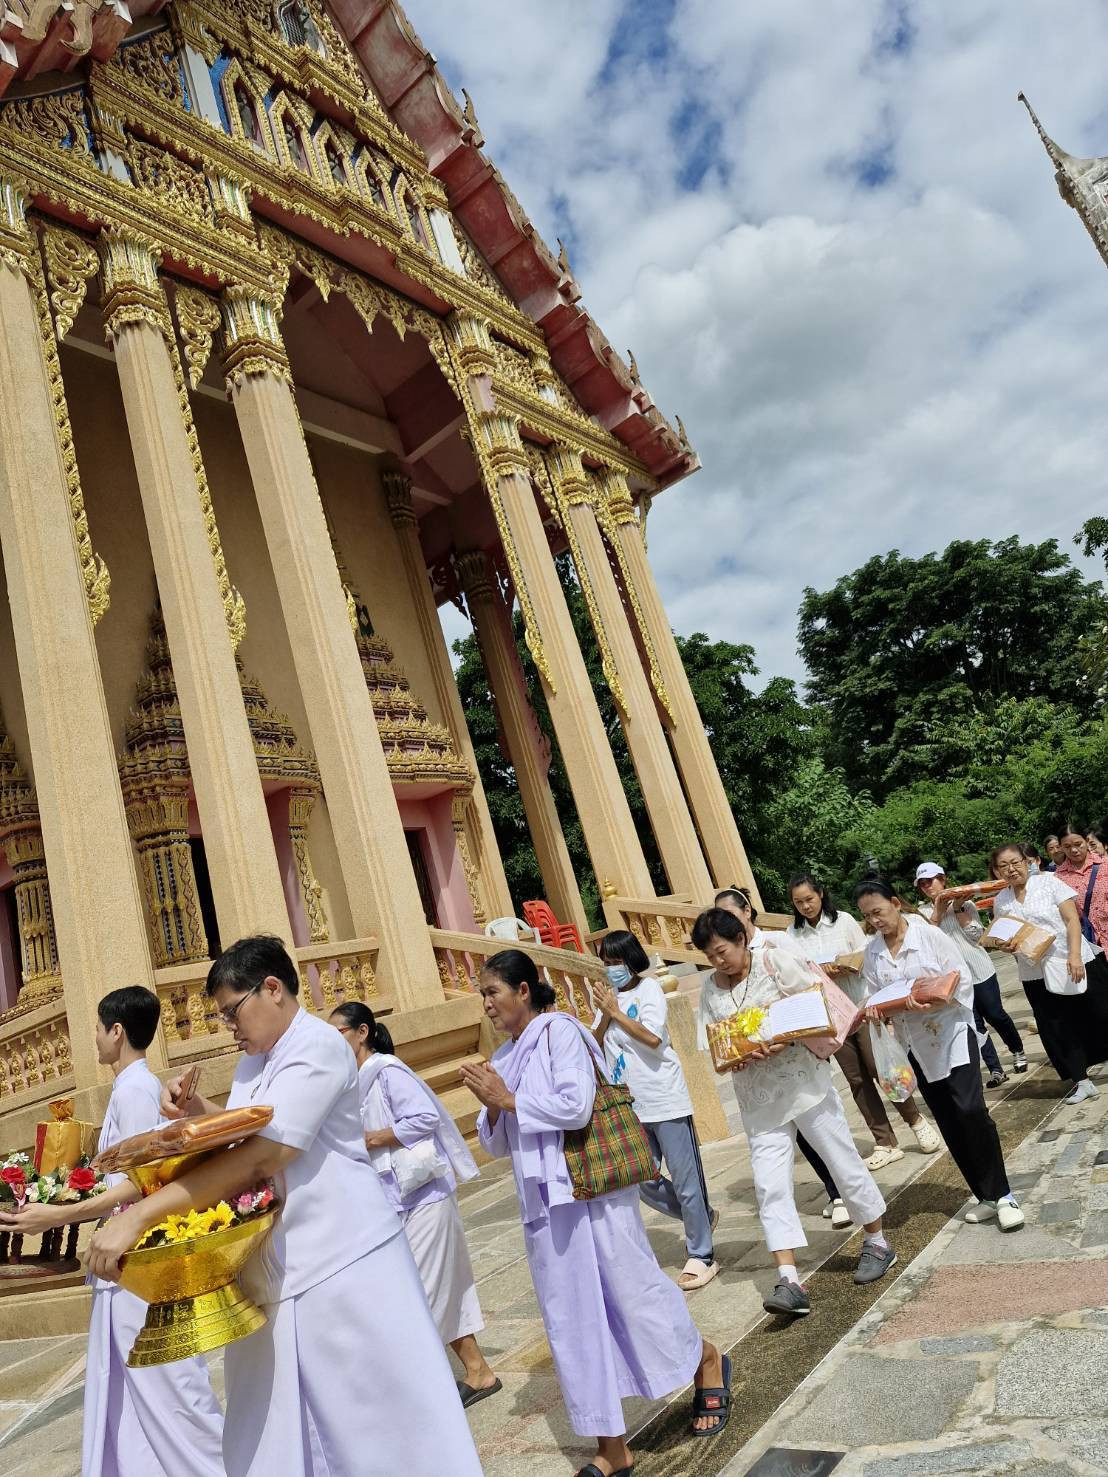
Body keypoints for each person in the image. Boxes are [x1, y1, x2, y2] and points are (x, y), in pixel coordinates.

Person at [86, 937, 483, 1477]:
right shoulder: (256, 1063)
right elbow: (249, 1125)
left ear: (272, 988)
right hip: (276, 1277)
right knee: (268, 1446)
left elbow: (266, 1154)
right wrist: (197, 1112)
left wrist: (138, 1216)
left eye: (233, 1011)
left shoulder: (319, 1046)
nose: (230, 1026)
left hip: (342, 1267)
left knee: (387, 1439)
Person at [461, 949, 730, 1477]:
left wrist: (509, 1099)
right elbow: (496, 1146)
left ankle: (706, 1359)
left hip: (592, 1193)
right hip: (545, 1206)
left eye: (493, 992)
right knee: (572, 1320)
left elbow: (575, 1106)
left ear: (522, 990)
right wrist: (494, 1103)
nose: (487, 1005)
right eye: (482, 995)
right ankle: (612, 1446)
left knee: (635, 1294)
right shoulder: (508, 1053)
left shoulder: (560, 1032)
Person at [1, 986, 225, 1477]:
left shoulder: (136, 1090)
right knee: (135, 1394)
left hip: (142, 1264)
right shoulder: (131, 1089)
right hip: (125, 1265)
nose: (96, 1039)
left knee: (169, 1390)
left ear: (117, 1031)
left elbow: (141, 1181)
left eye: (99, 1028)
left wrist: (56, 1216)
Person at [691, 908, 895, 1320]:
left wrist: (782, 1040)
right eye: (709, 955)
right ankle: (788, 1277)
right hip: (759, 1100)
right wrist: (738, 1055)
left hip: (805, 1085)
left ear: (741, 940)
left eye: (721, 951)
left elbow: (813, 1007)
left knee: (840, 1160)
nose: (717, 961)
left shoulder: (773, 961)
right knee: (769, 1185)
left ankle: (877, 1240)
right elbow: (715, 1047)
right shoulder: (711, 990)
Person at [328, 1000, 500, 1408]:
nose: (334, 1042)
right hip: (395, 1200)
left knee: (420, 1294)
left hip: (424, 1196)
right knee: (434, 1289)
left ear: (362, 1032)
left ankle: (423, 1389)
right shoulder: (351, 1082)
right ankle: (479, 1372)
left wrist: (372, 1138)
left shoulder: (386, 1070)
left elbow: (423, 1117)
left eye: (339, 1033)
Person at [857, 881, 1024, 1232]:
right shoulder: (872, 952)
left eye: (879, 912)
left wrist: (933, 998)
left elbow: (960, 979)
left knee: (972, 1110)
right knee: (948, 1119)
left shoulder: (929, 936)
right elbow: (873, 994)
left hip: (951, 1033)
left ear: (896, 903)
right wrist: (876, 1011)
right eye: (868, 916)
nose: (875, 921)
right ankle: (984, 1196)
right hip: (913, 1044)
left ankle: (1004, 1194)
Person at [713, 887, 851, 1229]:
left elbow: (808, 991)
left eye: (730, 916)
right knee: (801, 1136)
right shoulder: (722, 973)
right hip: (765, 1078)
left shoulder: (777, 945)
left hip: (800, 1055)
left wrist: (788, 1035)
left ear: (747, 911)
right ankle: (835, 1192)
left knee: (825, 1128)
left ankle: (850, 1194)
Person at [593, 930, 717, 1290]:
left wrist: (616, 1012)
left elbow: (651, 1038)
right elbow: (595, 1043)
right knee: (641, 1177)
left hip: (663, 1098)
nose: (611, 969)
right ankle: (701, 1220)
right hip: (629, 1103)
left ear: (631, 960)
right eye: (606, 963)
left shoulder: (648, 990)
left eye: (616, 962)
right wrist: (604, 1014)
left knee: (686, 1181)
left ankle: (702, 1253)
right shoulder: (607, 998)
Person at [787, 873, 938, 1166]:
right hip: (831, 1017)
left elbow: (867, 953)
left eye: (809, 899)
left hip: (862, 1005)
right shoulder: (793, 935)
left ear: (821, 894)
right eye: (798, 902)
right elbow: (796, 972)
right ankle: (885, 1142)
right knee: (856, 1079)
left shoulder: (843, 920)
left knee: (881, 1067)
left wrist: (845, 965)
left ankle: (916, 1121)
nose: (805, 906)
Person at [991, 844, 1108, 1105]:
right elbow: (1004, 935)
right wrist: (1004, 945)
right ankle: (1082, 1081)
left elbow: (1072, 920)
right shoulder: (1002, 900)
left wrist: (1075, 955)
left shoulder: (1049, 882)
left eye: (1015, 862)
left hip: (1072, 960)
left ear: (1027, 862)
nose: (1011, 869)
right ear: (997, 871)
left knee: (1100, 1012)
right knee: (1057, 1026)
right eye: (1004, 866)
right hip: (1034, 972)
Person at [914, 862, 1027, 1087]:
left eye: (931, 881)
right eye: (923, 884)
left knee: (996, 1014)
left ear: (943, 879)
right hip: (954, 978)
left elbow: (977, 935)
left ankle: (1018, 1050)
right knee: (974, 1024)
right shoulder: (922, 913)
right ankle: (995, 1069)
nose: (928, 887)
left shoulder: (965, 902)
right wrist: (937, 910)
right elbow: (926, 940)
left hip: (979, 969)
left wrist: (957, 908)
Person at [1055, 826, 1108, 953]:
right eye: (1067, 847)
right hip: (1087, 944)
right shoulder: (1058, 877)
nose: (1073, 850)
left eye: (1078, 844)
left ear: (1086, 841)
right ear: (1061, 847)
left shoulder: (1105, 865)